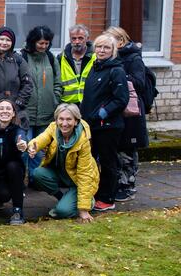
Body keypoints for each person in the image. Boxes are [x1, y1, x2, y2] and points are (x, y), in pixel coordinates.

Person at [80, 33, 128, 212]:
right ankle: (95, 193)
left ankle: (107, 198)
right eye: (99, 47)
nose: (102, 50)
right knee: (91, 161)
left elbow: (120, 99)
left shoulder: (116, 70)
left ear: (113, 51)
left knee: (108, 162)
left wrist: (101, 113)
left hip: (108, 126)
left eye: (106, 48)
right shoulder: (95, 67)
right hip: (92, 125)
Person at [27, 103, 99, 223]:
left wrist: (83, 209)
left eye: (69, 119)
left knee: (61, 212)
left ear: (76, 121)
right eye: (61, 119)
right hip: (62, 174)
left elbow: (85, 175)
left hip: (78, 180)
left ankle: (88, 201)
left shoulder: (83, 140)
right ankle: (64, 198)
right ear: (56, 120)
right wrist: (33, 146)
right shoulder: (53, 128)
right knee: (37, 174)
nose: (64, 123)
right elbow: (41, 139)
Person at [105, 26, 148, 202]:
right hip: (116, 110)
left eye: (110, 41)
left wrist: (119, 78)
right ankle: (117, 184)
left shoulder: (134, 59)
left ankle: (128, 186)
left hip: (131, 112)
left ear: (121, 41)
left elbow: (139, 83)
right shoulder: (111, 58)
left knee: (127, 150)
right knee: (116, 148)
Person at [20, 25, 62, 182]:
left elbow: (58, 82)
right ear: (33, 42)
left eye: (46, 43)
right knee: (25, 148)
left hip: (47, 112)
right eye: (40, 43)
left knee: (39, 150)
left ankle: (35, 179)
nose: (44, 46)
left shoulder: (51, 58)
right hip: (27, 113)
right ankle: (20, 179)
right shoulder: (23, 57)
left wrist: (55, 98)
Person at [0, 26, 34, 130]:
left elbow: (28, 84)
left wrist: (18, 103)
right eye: (1, 39)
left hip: (14, 111)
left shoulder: (19, 60)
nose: (4, 42)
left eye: (8, 40)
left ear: (12, 43)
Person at [58, 24, 95, 107]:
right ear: (70, 39)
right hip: (67, 104)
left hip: (90, 103)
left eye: (80, 38)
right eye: (73, 38)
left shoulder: (95, 57)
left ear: (87, 39)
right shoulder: (61, 57)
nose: (77, 42)